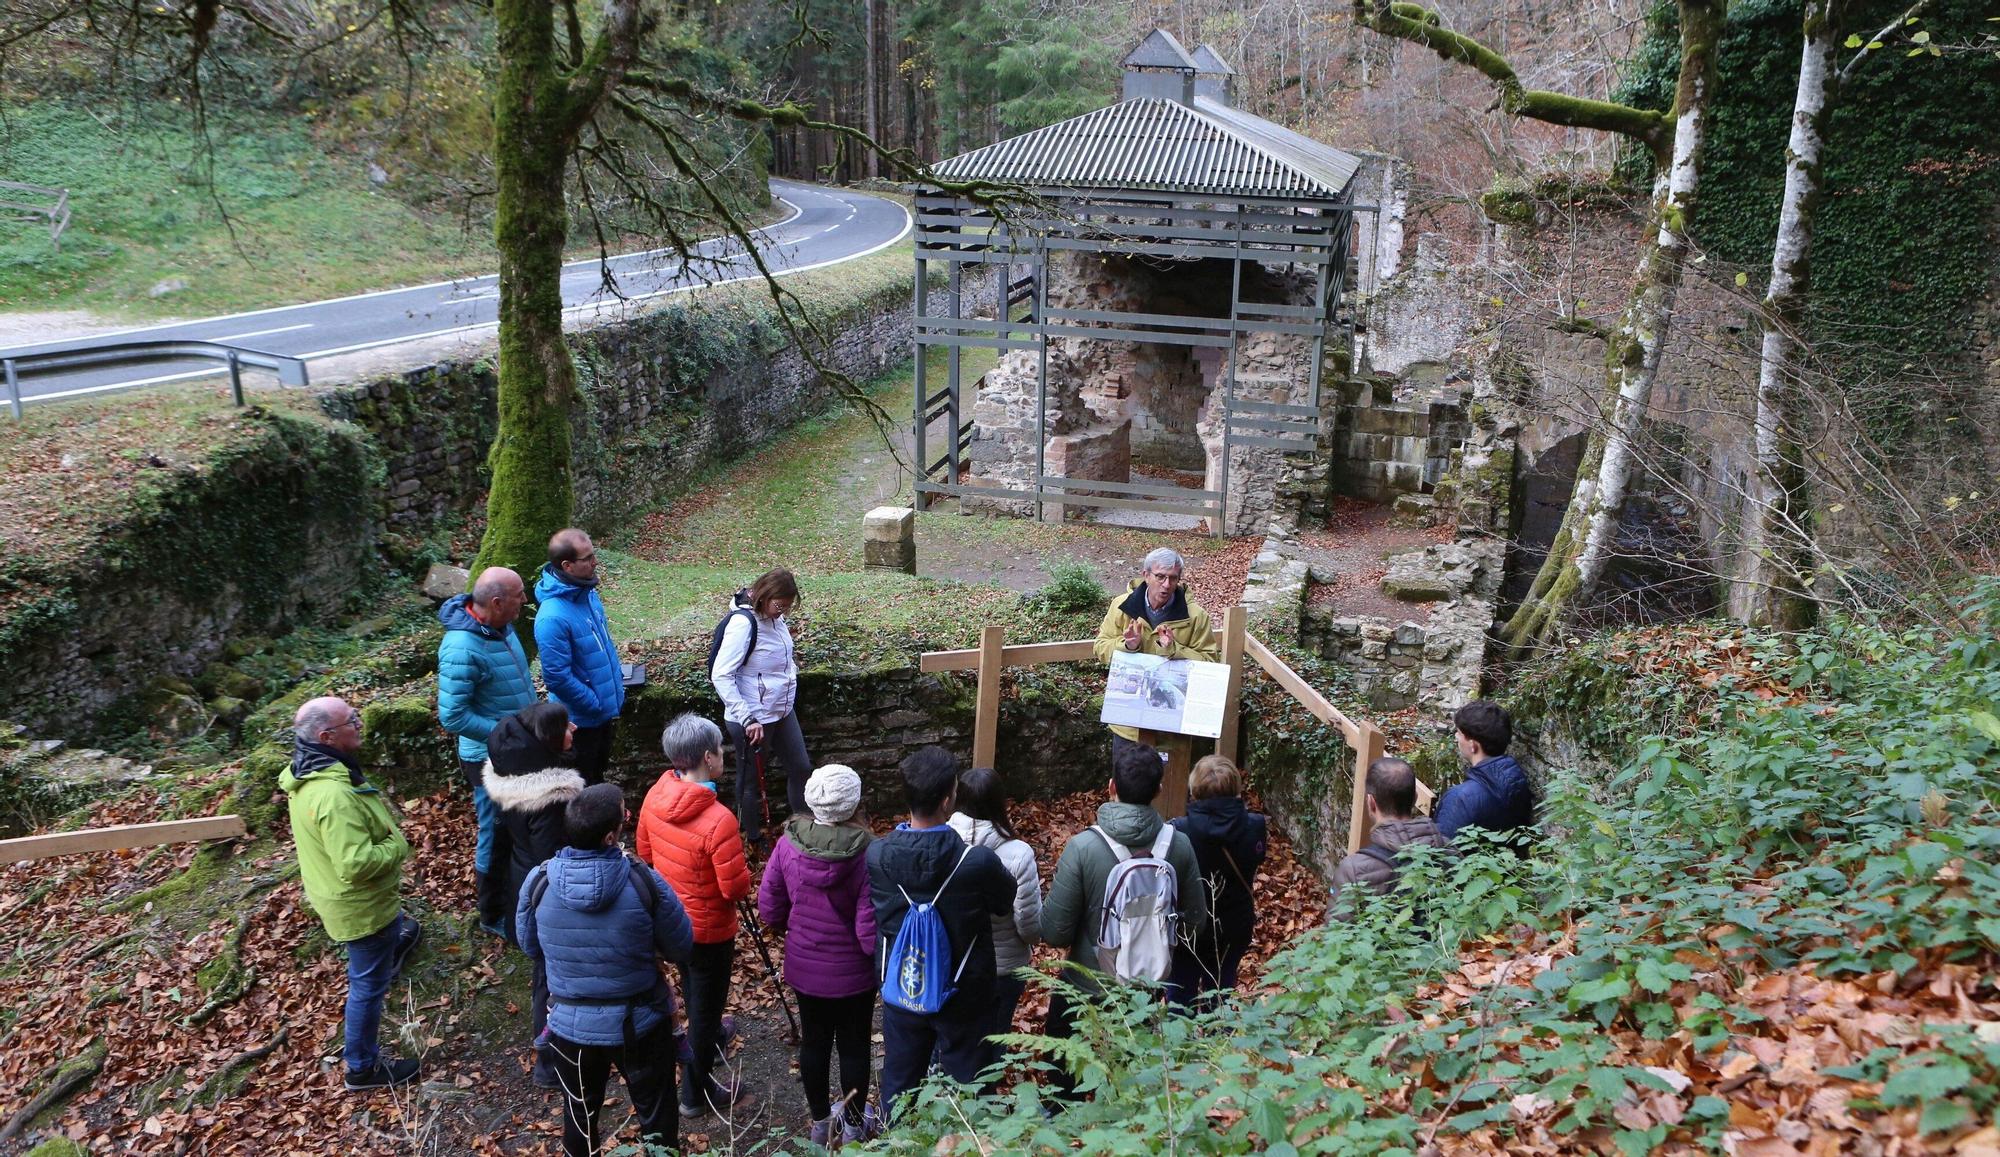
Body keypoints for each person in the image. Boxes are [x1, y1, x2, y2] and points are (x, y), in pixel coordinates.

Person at [518, 783, 694, 1157]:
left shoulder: (538, 882)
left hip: (569, 1027)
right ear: (612, 835)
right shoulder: (643, 880)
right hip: (642, 1023)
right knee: (657, 1118)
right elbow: (681, 945)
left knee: (579, 1118)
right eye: (626, 814)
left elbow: (531, 948)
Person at [1040, 740, 1209, 1099]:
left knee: (1062, 1089)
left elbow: (1054, 931)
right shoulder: (1177, 845)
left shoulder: (1083, 847)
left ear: (1111, 786)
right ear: (1159, 789)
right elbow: (1195, 922)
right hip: (1144, 991)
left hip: (1083, 988)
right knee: (1131, 1087)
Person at [866, 746, 1016, 1122]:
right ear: (949, 799)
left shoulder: (878, 856)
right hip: (964, 991)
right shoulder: (975, 862)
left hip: (905, 987)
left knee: (900, 1085)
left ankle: (897, 1145)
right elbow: (1004, 901)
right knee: (970, 1085)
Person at [281, 696, 423, 1091]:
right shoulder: (333, 795)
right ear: (327, 736)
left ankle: (392, 945)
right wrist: (397, 847)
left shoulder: (309, 770)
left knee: (383, 947)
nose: (359, 723)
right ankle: (362, 1067)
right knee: (367, 987)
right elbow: (356, 864)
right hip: (360, 908)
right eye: (352, 721)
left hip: (346, 898)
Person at [635, 713, 755, 1117]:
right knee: (703, 1010)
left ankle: (714, 1033)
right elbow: (734, 889)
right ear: (708, 757)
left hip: (671, 922)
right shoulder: (719, 820)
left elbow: (646, 856)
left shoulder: (656, 795)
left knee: (692, 985)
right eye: (721, 749)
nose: (723, 755)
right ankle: (694, 1094)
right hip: (709, 930)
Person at [757, 764, 880, 1147]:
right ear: (854, 803)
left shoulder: (788, 844)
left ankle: (820, 1120)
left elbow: (770, 908)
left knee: (814, 1043)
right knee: (855, 1045)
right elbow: (868, 931)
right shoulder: (868, 853)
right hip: (854, 975)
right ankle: (856, 1124)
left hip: (805, 967)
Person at [481, 702, 586, 1086]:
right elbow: (553, 858)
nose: (574, 727)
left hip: (520, 883)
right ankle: (551, 1062)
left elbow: (499, 844)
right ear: (548, 740)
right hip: (546, 898)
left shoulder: (510, 776)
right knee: (550, 978)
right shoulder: (552, 799)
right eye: (566, 726)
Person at [437, 566, 538, 934]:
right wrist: (509, 732)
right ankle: (492, 913)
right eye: (519, 596)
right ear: (496, 602)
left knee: (514, 831)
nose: (525, 601)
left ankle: (516, 900)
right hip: (487, 759)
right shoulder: (461, 648)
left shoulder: (500, 628)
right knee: (494, 833)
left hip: (515, 750)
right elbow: (453, 716)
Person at [709, 568, 814, 844]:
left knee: (801, 768)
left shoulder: (774, 618)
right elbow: (721, 674)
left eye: (787, 607)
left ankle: (803, 829)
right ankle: (751, 839)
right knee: (750, 782)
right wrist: (747, 718)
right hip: (752, 718)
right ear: (765, 596)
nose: (782, 612)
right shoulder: (744, 623)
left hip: (781, 710)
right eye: (780, 605)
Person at [1091, 547, 1220, 764]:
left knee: (1170, 790)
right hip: (1128, 726)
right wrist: (1128, 645)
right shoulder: (1122, 606)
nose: (1167, 585)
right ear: (1146, 575)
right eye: (1160, 577)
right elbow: (1100, 647)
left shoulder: (1196, 616)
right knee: (1129, 787)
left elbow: (1209, 663)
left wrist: (1174, 650)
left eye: (1173, 578)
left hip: (1172, 727)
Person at [946, 767, 1042, 1047]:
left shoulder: (941, 844)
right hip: (1003, 967)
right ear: (1000, 802)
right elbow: (1029, 926)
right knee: (994, 1040)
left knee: (953, 1040)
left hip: (951, 961)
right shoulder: (1019, 854)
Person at [1167, 755, 1266, 1009]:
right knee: (1221, 991)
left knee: (1181, 989)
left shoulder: (1178, 831)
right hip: (1234, 925)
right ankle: (1218, 1042)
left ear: (1195, 790)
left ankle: (1181, 1044)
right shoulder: (1255, 826)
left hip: (1189, 927)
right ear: (1236, 788)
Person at [534, 529, 625, 786]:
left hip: (603, 713)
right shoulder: (552, 617)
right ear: (567, 566)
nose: (595, 562)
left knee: (597, 776)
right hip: (580, 725)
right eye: (588, 558)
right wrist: (595, 703)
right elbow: (557, 678)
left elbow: (601, 648)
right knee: (583, 787)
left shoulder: (587, 595)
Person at [1329, 756, 1455, 919]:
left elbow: (1337, 936)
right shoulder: (1449, 851)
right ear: (1415, 798)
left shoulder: (1353, 870)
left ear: (1371, 802)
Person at [1434, 700, 1535, 847]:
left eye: (1460, 733)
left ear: (1473, 745)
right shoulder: (1517, 780)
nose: (1456, 736)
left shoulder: (1460, 799)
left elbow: (1443, 855)